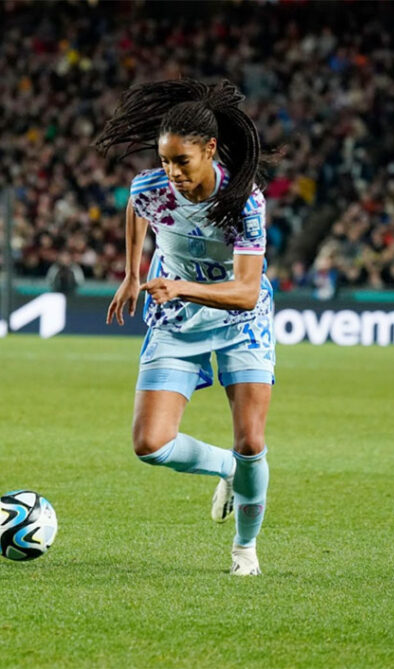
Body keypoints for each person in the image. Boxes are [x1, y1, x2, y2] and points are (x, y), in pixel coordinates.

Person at [96, 79, 274, 576]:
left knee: (251, 443)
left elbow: (246, 292)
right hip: (175, 320)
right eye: (165, 160)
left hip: (240, 322)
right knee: (149, 444)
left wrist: (181, 287)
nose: (171, 172)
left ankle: (244, 550)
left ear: (210, 150)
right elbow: (137, 206)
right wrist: (133, 274)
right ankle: (223, 469)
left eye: (181, 161)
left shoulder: (244, 202)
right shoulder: (151, 186)